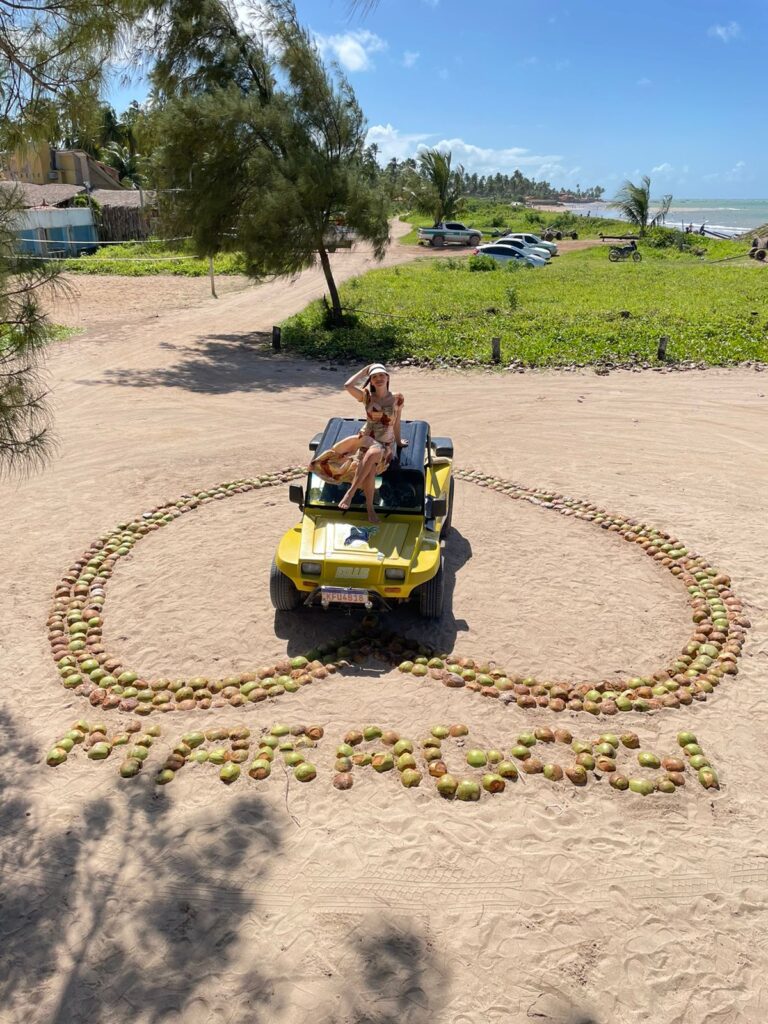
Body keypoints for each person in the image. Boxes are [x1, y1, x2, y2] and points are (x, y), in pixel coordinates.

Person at [310, 363, 406, 522]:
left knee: (374, 456)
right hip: (368, 438)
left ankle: (351, 493)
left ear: (388, 377)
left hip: (386, 443)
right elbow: (347, 385)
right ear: (371, 381)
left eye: (381, 375)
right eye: (374, 377)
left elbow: (396, 422)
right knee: (370, 465)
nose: (378, 379)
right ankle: (370, 510)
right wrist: (365, 370)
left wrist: (399, 442)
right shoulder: (367, 396)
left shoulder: (397, 398)